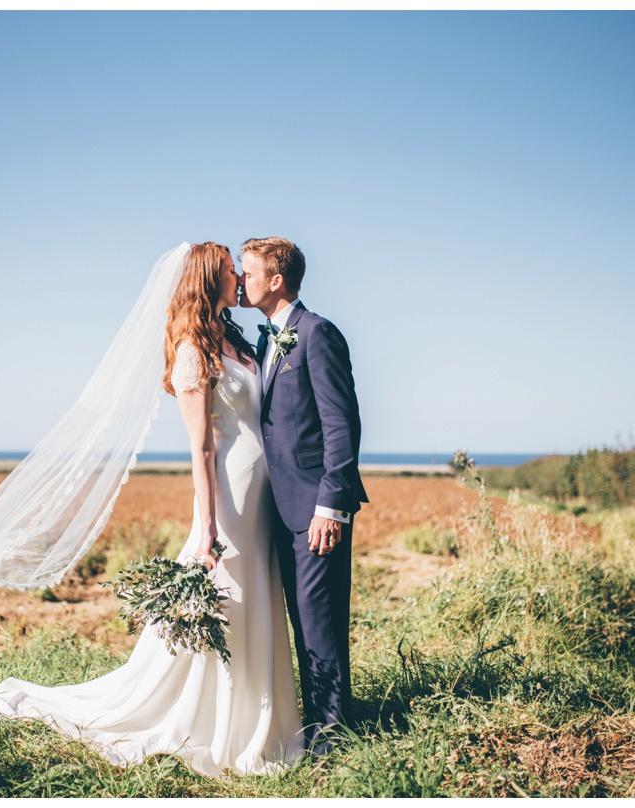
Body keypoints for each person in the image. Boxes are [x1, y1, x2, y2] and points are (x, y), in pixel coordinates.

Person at [0, 242, 305, 777]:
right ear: (205, 278)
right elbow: (202, 448)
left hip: (263, 495)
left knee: (258, 595)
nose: (238, 276)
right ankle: (220, 723)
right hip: (230, 496)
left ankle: (265, 717)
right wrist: (208, 527)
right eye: (227, 270)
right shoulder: (193, 351)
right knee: (230, 598)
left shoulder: (235, 337)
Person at [237, 237, 368, 755]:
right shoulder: (269, 341)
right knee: (298, 619)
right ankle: (318, 723)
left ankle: (334, 739)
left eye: (247, 272)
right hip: (281, 510)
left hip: (317, 510)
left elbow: (342, 426)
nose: (241, 280)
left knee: (319, 621)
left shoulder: (317, 334)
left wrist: (330, 506)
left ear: (276, 279)